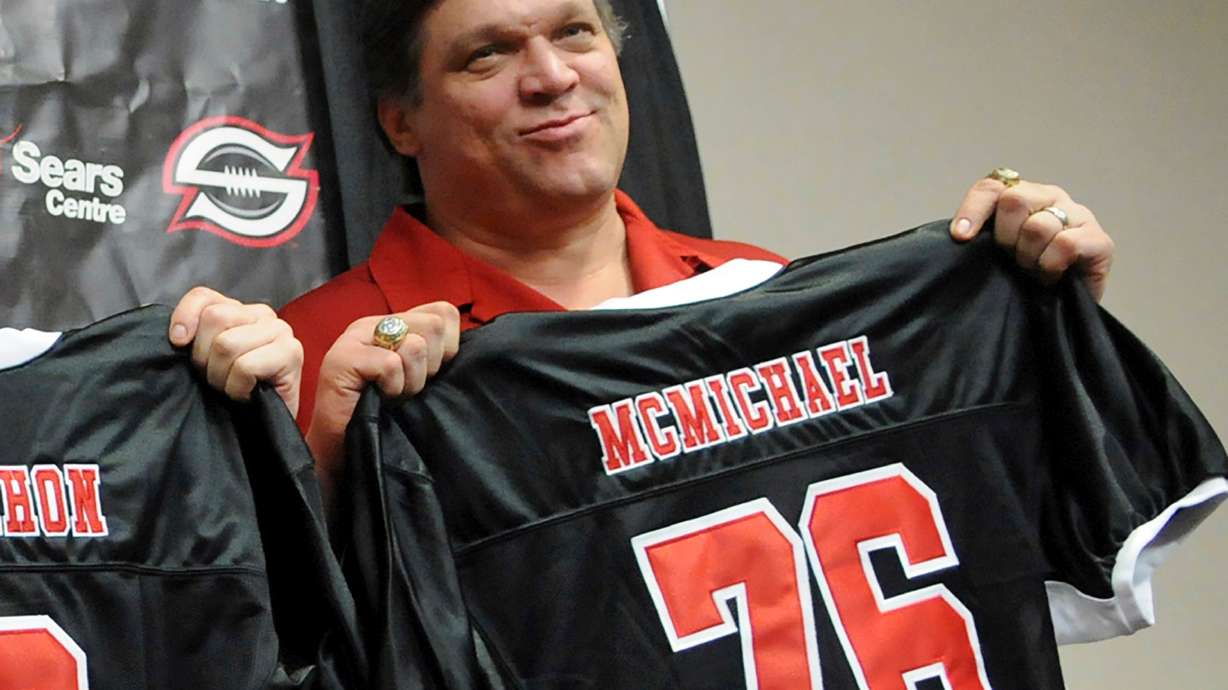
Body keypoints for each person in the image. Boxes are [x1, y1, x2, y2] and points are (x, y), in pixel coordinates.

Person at [170, 0, 1114, 510]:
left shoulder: (764, 292)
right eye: (488, 56)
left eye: (575, 31)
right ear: (399, 123)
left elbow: (979, 525)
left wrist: (1051, 321)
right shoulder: (309, 355)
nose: (551, 79)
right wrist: (334, 459)